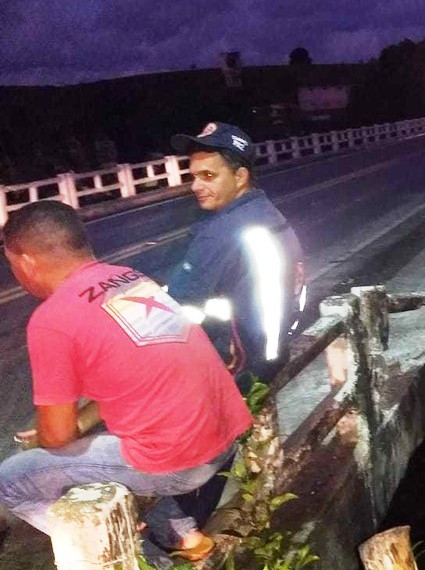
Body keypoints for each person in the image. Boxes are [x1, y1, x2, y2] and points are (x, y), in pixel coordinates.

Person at [0, 201, 252, 563]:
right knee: (103, 439)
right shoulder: (131, 278)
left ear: (26, 261)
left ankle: (128, 552)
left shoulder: (51, 319)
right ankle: (185, 535)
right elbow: (132, 382)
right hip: (226, 438)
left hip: (183, 463)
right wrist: (81, 420)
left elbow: (56, 436)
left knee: (11, 480)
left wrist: (43, 438)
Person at [168, 121, 306, 393]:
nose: (195, 186)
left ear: (240, 177)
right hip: (274, 350)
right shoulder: (266, 212)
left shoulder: (222, 232)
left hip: (239, 371)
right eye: (193, 176)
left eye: (208, 176)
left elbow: (174, 306)